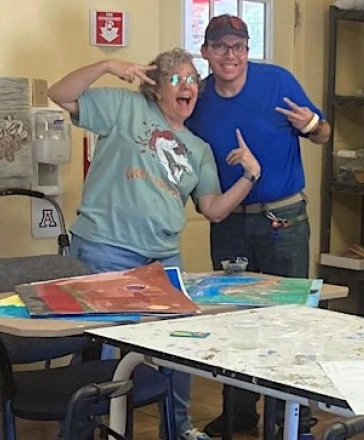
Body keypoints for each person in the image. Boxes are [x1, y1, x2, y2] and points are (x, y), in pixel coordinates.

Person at [47, 48, 263, 440]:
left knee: (180, 345)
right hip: (105, 247)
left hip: (161, 258)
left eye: (193, 80)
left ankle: (178, 428)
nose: (188, 87)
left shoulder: (198, 148)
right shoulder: (125, 107)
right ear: (156, 88)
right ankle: (92, 429)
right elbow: (59, 94)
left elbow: (213, 209)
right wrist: (108, 66)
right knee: (106, 350)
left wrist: (250, 176)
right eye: (177, 79)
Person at [184, 14, 330, 436]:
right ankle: (238, 412)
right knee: (233, 319)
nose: (230, 55)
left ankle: (289, 415)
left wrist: (313, 125)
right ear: (207, 52)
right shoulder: (199, 97)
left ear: (247, 50)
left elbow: (323, 134)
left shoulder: (278, 82)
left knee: (288, 319)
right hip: (228, 221)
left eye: (238, 47)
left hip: (283, 218)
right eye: (221, 47)